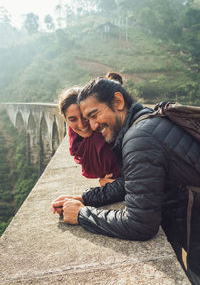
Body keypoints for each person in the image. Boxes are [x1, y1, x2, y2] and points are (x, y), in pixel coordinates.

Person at [52, 78, 200, 285]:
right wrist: (86, 197)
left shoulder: (139, 138)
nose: (92, 126)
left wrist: (82, 214)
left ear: (118, 102)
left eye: (94, 115)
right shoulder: (146, 121)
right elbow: (133, 182)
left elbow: (140, 224)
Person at [51, 86, 121, 214]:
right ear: (65, 119)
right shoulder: (77, 139)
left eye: (84, 117)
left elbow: (134, 183)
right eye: (73, 119)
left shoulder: (106, 136)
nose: (82, 125)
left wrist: (116, 185)